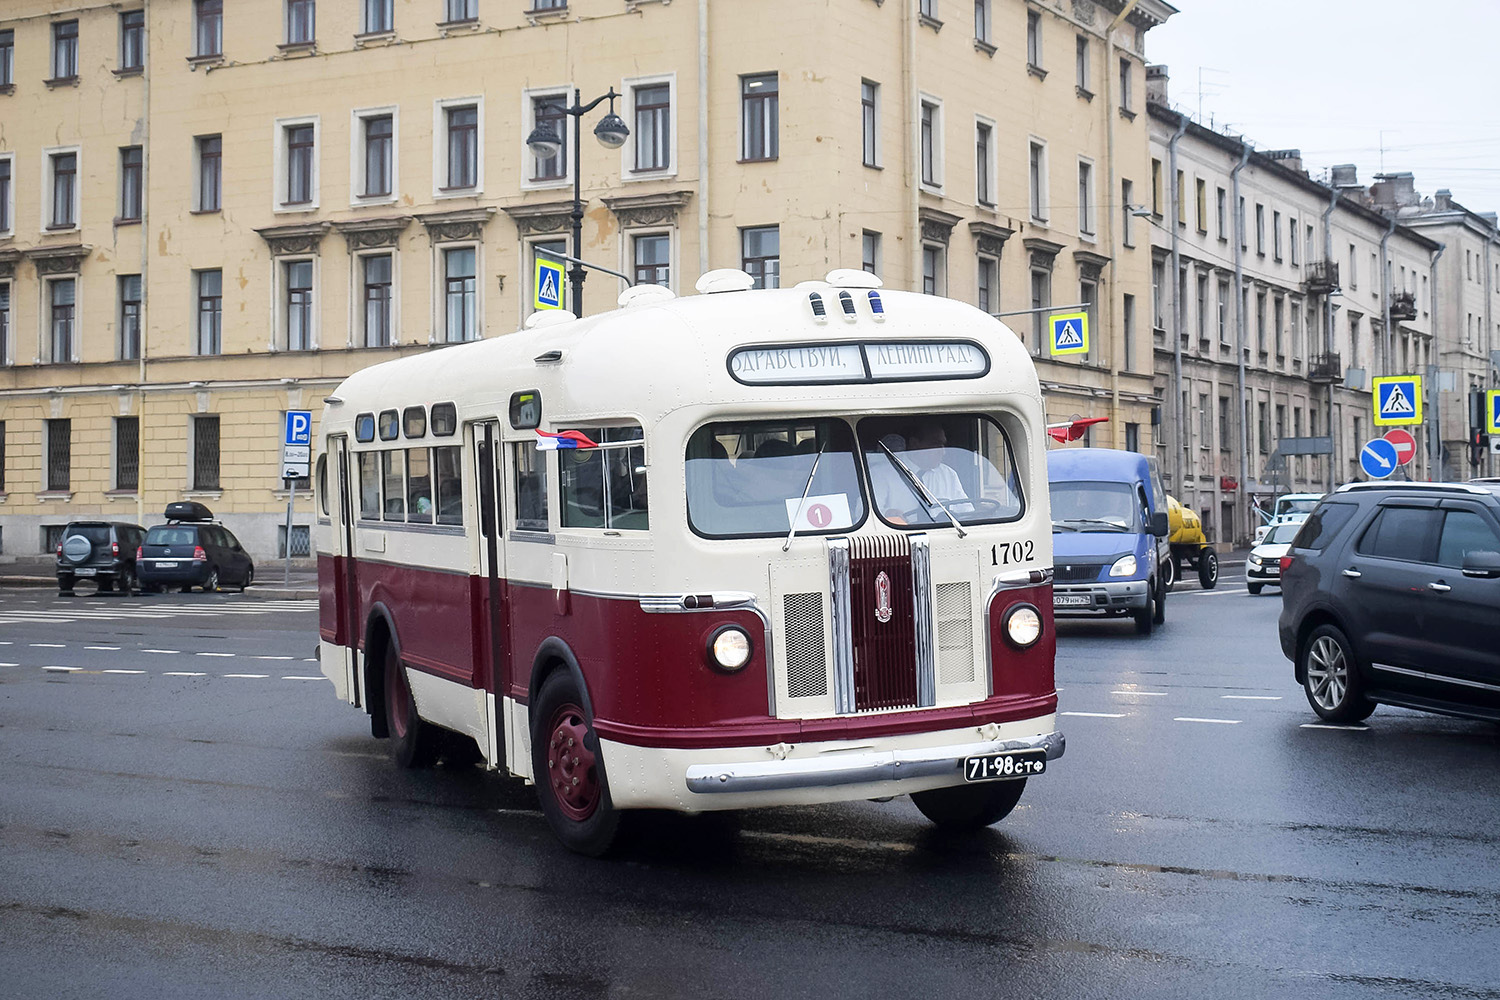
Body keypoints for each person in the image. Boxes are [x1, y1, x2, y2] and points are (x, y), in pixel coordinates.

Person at [874, 419, 967, 517]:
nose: (943, 452)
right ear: (914, 443)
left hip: (944, 527)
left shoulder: (949, 474)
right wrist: (888, 513)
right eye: (935, 445)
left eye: (943, 445)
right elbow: (869, 513)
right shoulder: (881, 473)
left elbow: (966, 511)